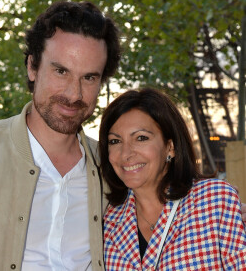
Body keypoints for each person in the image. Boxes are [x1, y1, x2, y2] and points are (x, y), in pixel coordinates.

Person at [0, 0, 120, 271]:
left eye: (89, 78)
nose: (74, 94)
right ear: (32, 67)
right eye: (61, 71)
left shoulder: (113, 167)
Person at [99, 87, 246, 270]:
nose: (126, 153)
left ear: (170, 147)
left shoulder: (213, 202)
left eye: (141, 138)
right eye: (115, 141)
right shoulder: (109, 221)